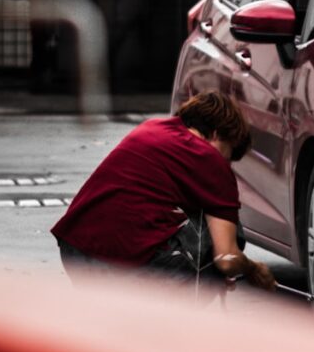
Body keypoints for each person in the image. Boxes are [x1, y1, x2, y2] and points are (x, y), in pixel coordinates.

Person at [51, 91, 276, 291]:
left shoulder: (152, 128)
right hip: (124, 264)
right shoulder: (210, 159)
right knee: (228, 230)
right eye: (228, 155)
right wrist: (253, 269)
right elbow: (226, 259)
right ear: (217, 134)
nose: (226, 164)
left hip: (75, 251)